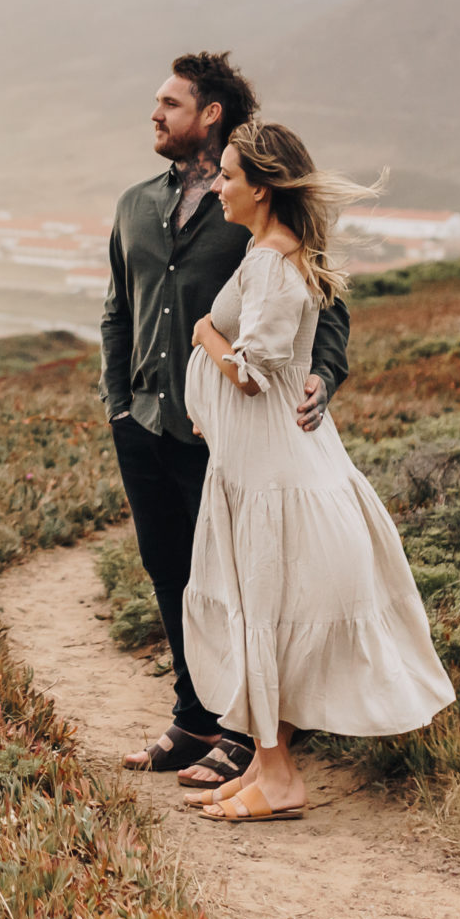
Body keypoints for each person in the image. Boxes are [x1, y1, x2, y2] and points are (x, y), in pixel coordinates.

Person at [177, 120, 454, 822]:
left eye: (230, 176)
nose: (219, 186)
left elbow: (250, 373)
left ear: (263, 188)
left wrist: (204, 335)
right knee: (264, 610)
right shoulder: (273, 251)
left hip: (272, 470)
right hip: (260, 463)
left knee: (263, 609)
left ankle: (278, 778)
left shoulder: (272, 260)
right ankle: (270, 768)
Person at [100, 53, 349, 781]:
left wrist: (323, 374)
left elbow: (323, 298)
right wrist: (118, 399)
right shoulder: (134, 205)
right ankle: (193, 718)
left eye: (170, 102)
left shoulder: (252, 204)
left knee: (245, 579)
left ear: (210, 113)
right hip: (143, 421)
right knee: (171, 570)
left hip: (228, 430)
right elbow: (118, 308)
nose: (155, 113)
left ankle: (248, 731)